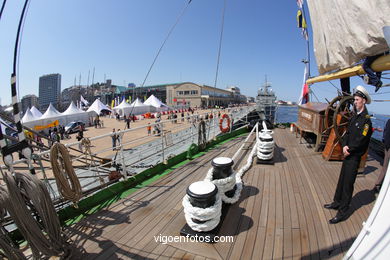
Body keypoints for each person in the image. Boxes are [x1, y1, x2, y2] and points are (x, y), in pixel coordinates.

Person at [324, 86, 373, 224]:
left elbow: (362, 140)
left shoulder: (366, 121)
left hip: (354, 156)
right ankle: (336, 202)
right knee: (342, 180)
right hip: (347, 152)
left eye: (357, 100)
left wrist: (349, 149)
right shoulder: (354, 117)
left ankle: (342, 212)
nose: (355, 102)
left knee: (348, 185)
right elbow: (348, 133)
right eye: (355, 100)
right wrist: (344, 145)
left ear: (363, 100)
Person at [373, 119, 390, 193]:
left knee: (385, 167)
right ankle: (378, 185)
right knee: (385, 167)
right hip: (388, 148)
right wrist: (387, 146)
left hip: (387, 146)